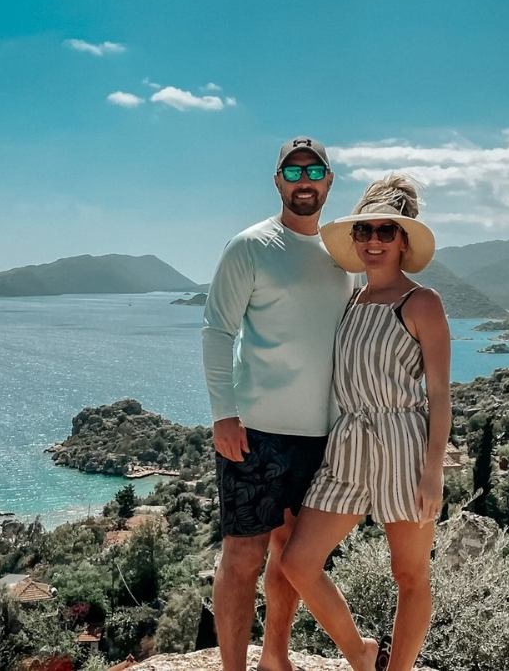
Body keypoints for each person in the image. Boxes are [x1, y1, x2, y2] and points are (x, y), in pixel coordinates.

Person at [280, 174, 452, 671]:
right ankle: (360, 652)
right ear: (355, 240)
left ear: (403, 240)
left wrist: (433, 470)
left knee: (410, 575)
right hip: (349, 444)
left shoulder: (422, 303)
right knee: (297, 562)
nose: (373, 240)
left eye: (385, 231)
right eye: (364, 231)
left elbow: (439, 393)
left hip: (403, 444)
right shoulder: (350, 300)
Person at [202, 137, 355, 671]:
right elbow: (217, 330)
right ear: (277, 182)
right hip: (255, 431)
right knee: (242, 556)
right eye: (294, 171)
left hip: (322, 434)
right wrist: (223, 412)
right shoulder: (251, 246)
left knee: (291, 556)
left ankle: (275, 656)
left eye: (315, 170)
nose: (304, 179)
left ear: (330, 182)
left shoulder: (345, 256)